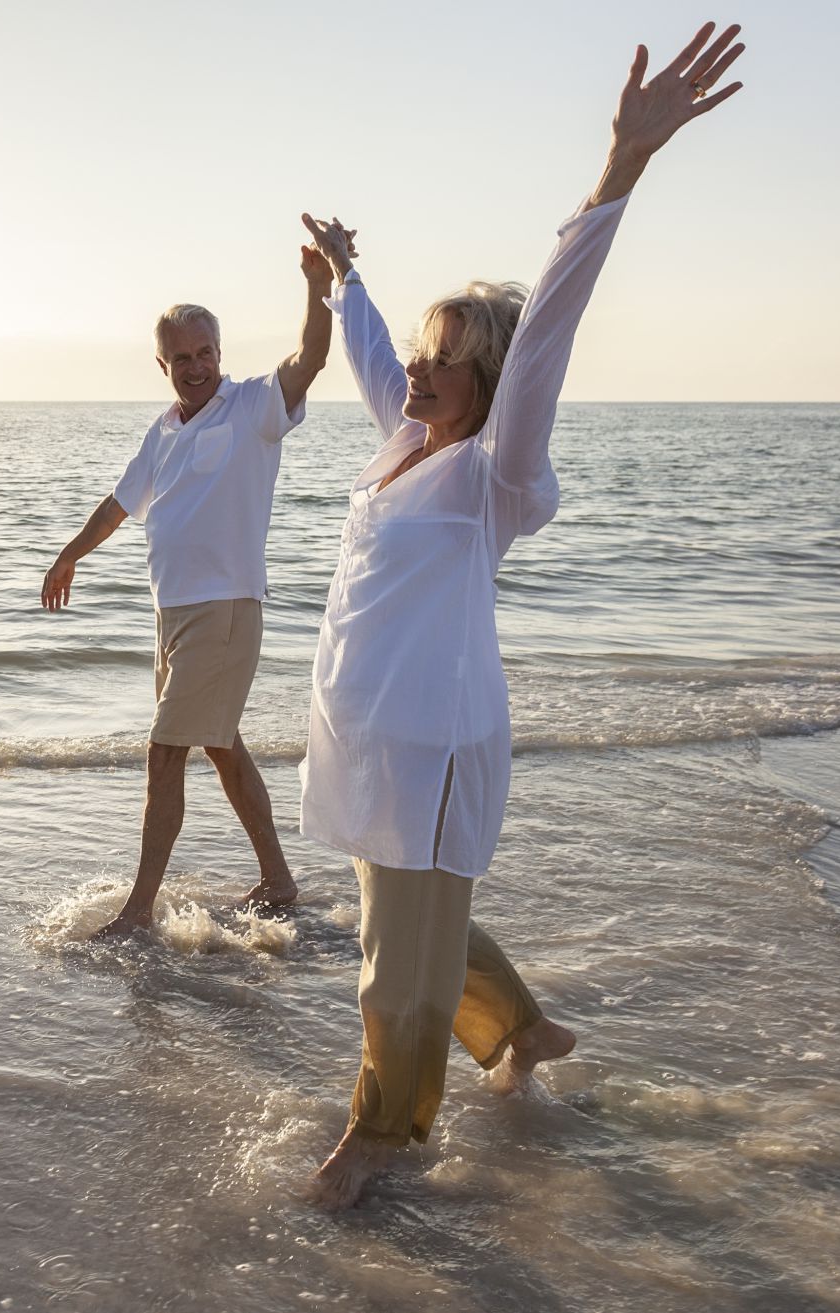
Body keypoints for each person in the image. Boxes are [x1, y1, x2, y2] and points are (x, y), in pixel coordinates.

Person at [295, 23, 748, 1208]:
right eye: (421, 354)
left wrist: (618, 170)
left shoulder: (492, 471)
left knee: (394, 963)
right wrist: (345, 275)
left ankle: (381, 1138)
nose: (418, 371)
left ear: (489, 380)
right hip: (371, 737)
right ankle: (523, 1030)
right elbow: (365, 355)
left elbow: (546, 330)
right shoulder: (402, 446)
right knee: (406, 923)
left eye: (445, 359)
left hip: (435, 740)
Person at [41, 243, 336, 938]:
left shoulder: (253, 408)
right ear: (164, 365)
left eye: (206, 353)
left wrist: (317, 287)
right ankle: (280, 879)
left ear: (219, 352)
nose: (198, 367)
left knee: (165, 748)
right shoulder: (164, 430)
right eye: (183, 359)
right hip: (171, 616)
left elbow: (310, 359)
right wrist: (68, 556)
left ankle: (139, 909)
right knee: (221, 745)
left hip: (226, 608)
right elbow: (118, 506)